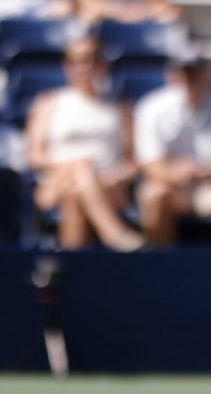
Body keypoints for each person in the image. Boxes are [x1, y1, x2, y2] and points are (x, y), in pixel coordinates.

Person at [25, 29, 144, 250]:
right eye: (77, 61)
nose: (85, 67)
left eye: (92, 59)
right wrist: (80, 168)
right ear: (67, 65)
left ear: (103, 64)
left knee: (75, 197)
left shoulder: (121, 108)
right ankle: (115, 235)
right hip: (55, 183)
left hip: (110, 186)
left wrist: (116, 176)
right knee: (82, 167)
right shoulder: (48, 104)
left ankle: (76, 271)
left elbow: (133, 160)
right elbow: (35, 157)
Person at [133, 51, 211, 247]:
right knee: (155, 194)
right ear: (172, 77)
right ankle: (158, 263)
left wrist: (210, 174)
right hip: (171, 187)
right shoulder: (152, 108)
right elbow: (150, 166)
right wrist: (175, 173)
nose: (188, 82)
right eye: (183, 76)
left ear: (207, 78)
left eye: (194, 76)